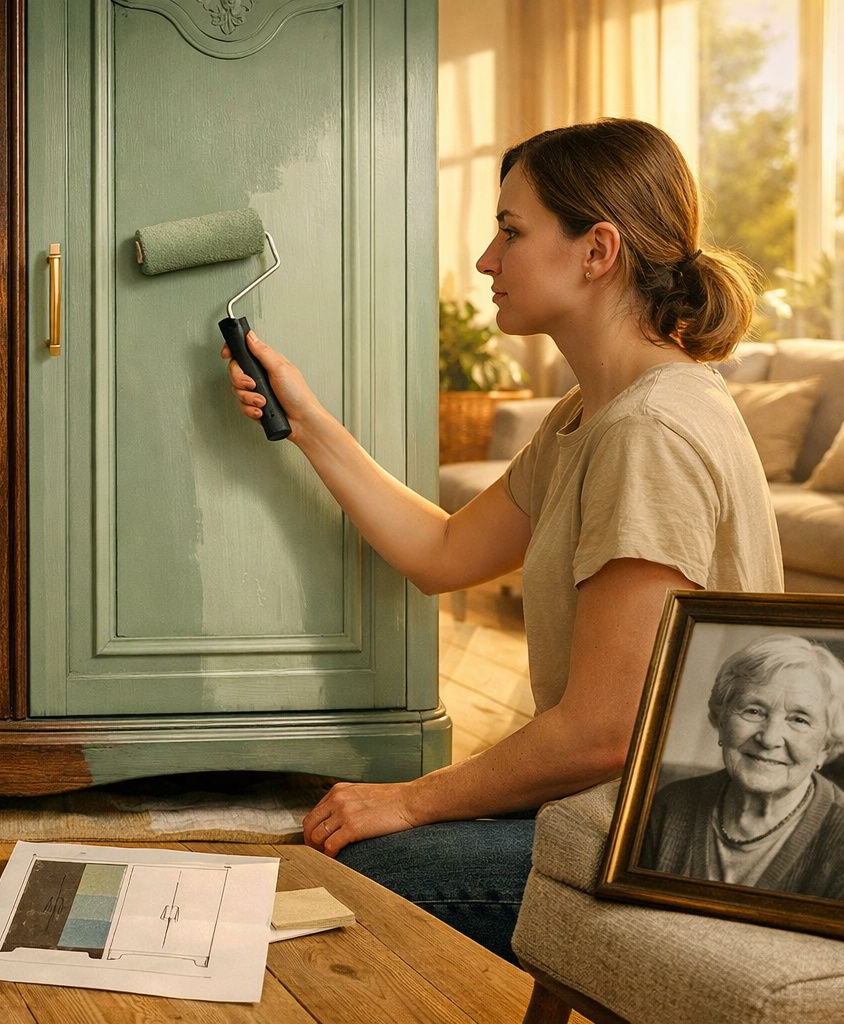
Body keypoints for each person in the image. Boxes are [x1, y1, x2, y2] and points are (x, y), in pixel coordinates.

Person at [221, 118, 784, 961]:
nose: (487, 260)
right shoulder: (590, 416)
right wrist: (308, 424)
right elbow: (443, 553)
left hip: (678, 845)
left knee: (343, 878)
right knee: (341, 854)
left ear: (598, 251)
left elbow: (607, 729)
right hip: (618, 810)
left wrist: (413, 799)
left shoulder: (651, 431)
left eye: (510, 232)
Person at [639, 634, 844, 901]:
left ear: (827, 746)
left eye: (799, 719)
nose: (769, 738)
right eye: (754, 711)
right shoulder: (670, 805)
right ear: (722, 720)